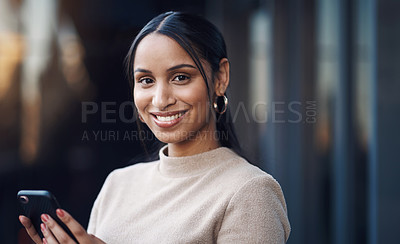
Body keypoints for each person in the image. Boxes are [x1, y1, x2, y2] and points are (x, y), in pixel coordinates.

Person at [19, 11, 291, 243]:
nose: (161, 100)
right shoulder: (118, 185)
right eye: (146, 81)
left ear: (220, 78)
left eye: (181, 77)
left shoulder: (250, 192)